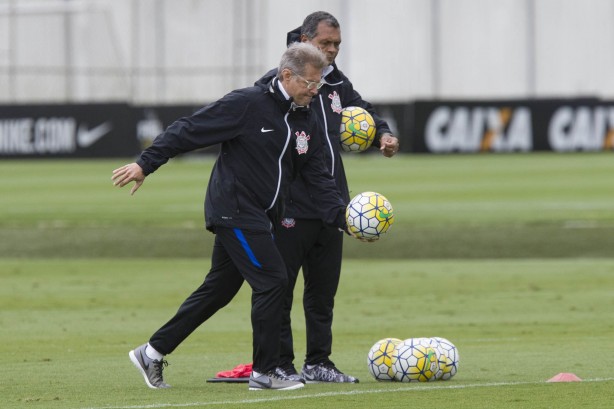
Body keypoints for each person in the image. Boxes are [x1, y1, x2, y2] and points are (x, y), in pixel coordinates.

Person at [112, 42, 350, 391]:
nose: (314, 91)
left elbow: (317, 175)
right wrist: (145, 163)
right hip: (234, 209)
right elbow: (188, 129)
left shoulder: (307, 115)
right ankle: (265, 372)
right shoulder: (248, 104)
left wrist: (342, 218)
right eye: (309, 84)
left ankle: (152, 352)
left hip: (262, 215)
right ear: (287, 75)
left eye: (317, 85)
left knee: (219, 290)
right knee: (272, 279)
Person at [256, 11, 400, 384]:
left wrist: (382, 134)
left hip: (333, 203)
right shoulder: (278, 83)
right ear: (305, 39)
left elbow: (365, 111)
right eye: (325, 44)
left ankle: (319, 362)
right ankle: (281, 364)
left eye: (336, 44)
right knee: (281, 290)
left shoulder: (335, 83)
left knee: (322, 293)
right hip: (290, 204)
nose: (333, 51)